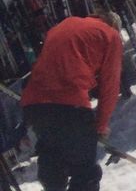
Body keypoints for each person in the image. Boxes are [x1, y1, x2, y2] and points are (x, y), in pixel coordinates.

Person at [21, 10, 124, 191]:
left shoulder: (66, 23)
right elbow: (110, 86)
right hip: (70, 104)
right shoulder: (110, 35)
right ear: (114, 25)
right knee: (85, 171)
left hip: (34, 102)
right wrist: (100, 126)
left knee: (53, 156)